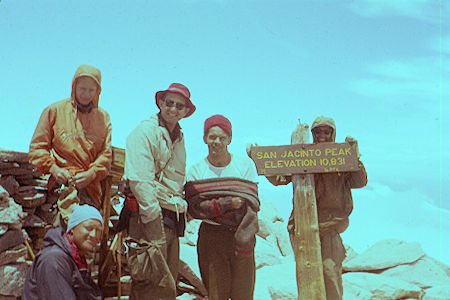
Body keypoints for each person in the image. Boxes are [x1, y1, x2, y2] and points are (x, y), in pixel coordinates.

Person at [267, 116, 367, 300]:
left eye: (326, 131)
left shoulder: (340, 157)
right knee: (307, 278)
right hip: (302, 227)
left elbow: (359, 182)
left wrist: (355, 156)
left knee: (330, 275)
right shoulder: (302, 155)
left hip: (330, 227)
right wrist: (259, 161)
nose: (322, 135)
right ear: (312, 134)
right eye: (318, 131)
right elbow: (280, 178)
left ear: (332, 133)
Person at [124, 83, 196, 299]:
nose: (173, 109)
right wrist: (153, 225)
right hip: (149, 217)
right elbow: (140, 181)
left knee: (166, 283)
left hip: (170, 217)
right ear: (160, 103)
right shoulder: (144, 132)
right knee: (150, 280)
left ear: (185, 111)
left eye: (179, 106)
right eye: (169, 103)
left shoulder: (180, 137)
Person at [185, 114, 260, 300]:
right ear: (205, 139)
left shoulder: (244, 165)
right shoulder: (196, 170)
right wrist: (228, 203)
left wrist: (211, 205)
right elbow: (194, 208)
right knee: (216, 294)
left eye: (222, 137)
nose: (216, 142)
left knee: (243, 294)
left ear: (229, 139)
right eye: (212, 137)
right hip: (211, 238)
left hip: (241, 235)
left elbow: (250, 202)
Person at [28, 64, 112, 223]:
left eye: (91, 90)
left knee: (87, 235)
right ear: (74, 86)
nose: (86, 94)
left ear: (98, 91)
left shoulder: (103, 118)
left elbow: (106, 155)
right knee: (63, 238)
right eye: (82, 89)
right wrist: (54, 169)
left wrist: (92, 173)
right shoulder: (54, 111)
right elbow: (37, 149)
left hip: (90, 190)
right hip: (62, 186)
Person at [22, 204, 103, 300]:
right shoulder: (53, 260)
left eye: (98, 230)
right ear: (72, 229)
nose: (94, 235)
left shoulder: (76, 260)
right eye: (88, 228)